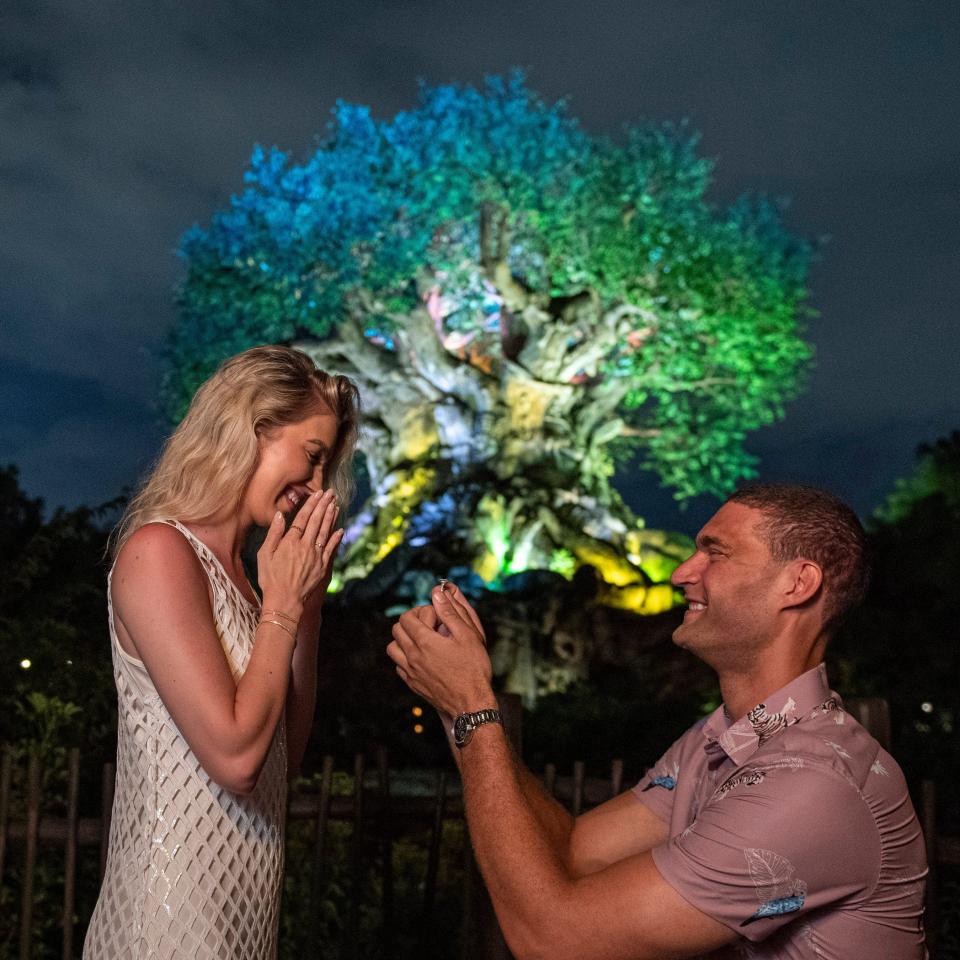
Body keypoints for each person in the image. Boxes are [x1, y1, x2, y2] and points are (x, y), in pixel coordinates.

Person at [388, 484, 928, 959]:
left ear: (797, 583)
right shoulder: (716, 740)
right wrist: (457, 703)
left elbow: (554, 940)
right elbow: (575, 850)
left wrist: (471, 708)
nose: (680, 572)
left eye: (714, 553)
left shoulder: (813, 782)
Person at [83, 346, 360, 960]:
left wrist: (304, 610)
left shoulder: (248, 578)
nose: (316, 486)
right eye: (312, 458)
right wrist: (283, 605)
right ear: (253, 428)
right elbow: (236, 759)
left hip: (243, 925)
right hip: (165, 924)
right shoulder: (160, 552)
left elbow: (278, 756)